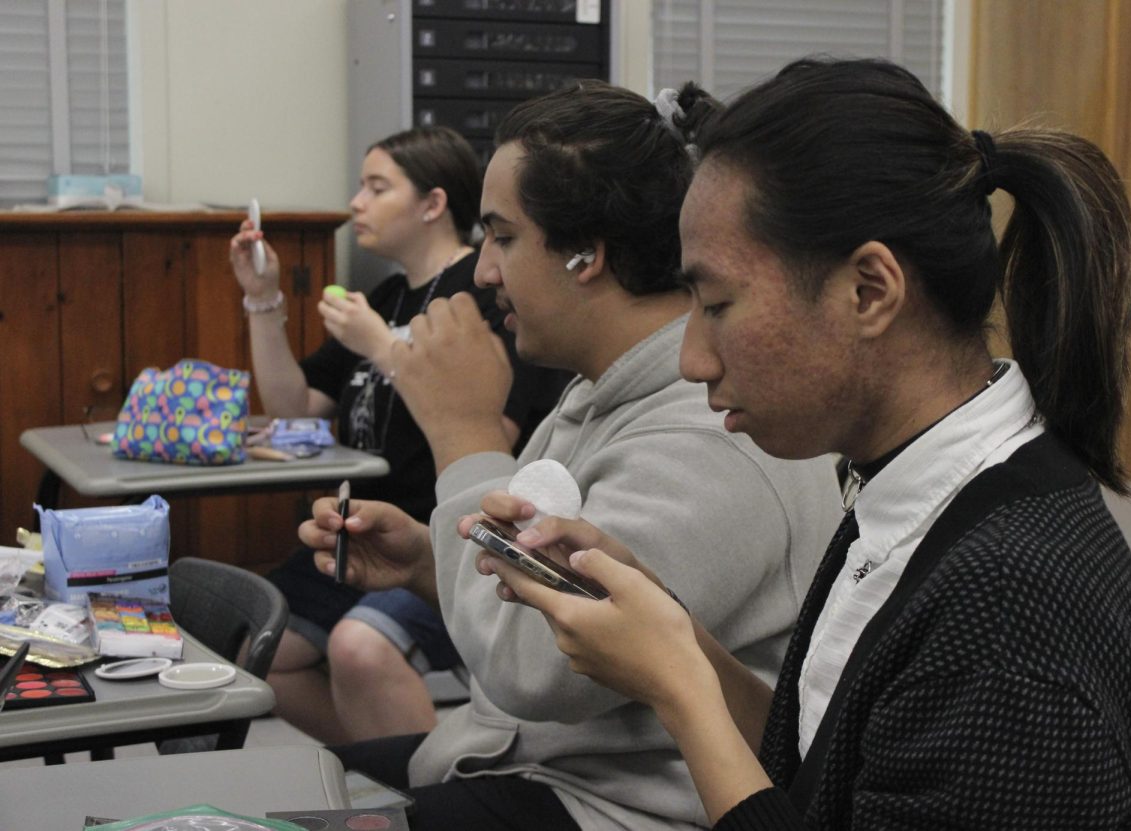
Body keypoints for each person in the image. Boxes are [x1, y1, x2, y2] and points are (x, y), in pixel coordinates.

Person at [473, 58, 1131, 829]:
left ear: (869, 291)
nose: (693, 358)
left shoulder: (1007, 611)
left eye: (717, 304)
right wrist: (671, 633)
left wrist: (680, 687)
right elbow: (820, 771)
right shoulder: (907, 490)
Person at [299, 79, 843, 830]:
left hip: (612, 804)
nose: (485, 270)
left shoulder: (712, 434)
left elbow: (535, 670)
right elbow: (540, 594)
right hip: (537, 764)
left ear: (587, 253)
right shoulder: (603, 391)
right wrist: (430, 565)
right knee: (290, 787)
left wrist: (465, 433)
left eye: (503, 236)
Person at [230, 126, 567, 744]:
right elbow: (293, 407)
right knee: (257, 649)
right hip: (366, 528)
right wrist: (264, 300)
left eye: (377, 187)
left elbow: (494, 429)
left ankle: (423, 786)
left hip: (448, 533)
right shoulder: (385, 297)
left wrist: (383, 348)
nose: (357, 202)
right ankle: (391, 764)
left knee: (362, 651)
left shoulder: (485, 297)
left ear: (432, 204)